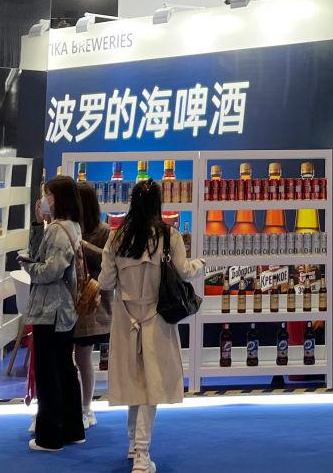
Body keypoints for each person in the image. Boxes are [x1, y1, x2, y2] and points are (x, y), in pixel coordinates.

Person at [99, 180, 204, 473]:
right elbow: (184, 272)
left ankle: (134, 445)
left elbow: (106, 282)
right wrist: (201, 264)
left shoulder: (117, 237)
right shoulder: (169, 236)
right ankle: (142, 455)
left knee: (132, 381)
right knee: (152, 386)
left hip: (125, 318)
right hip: (156, 317)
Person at [19, 176, 86, 452]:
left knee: (49, 373)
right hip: (63, 310)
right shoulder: (70, 226)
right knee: (64, 369)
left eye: (48, 195)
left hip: (51, 310)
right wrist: (38, 224)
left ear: (58, 198)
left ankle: (50, 436)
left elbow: (49, 270)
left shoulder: (59, 230)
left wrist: (28, 266)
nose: (44, 200)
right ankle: (72, 429)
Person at [74, 182, 113, 429]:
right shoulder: (69, 227)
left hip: (92, 301)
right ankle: (73, 405)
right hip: (70, 300)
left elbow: (108, 260)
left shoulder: (104, 230)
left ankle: (86, 406)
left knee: (83, 356)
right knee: (71, 357)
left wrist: (84, 246)